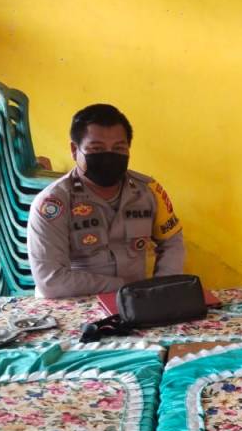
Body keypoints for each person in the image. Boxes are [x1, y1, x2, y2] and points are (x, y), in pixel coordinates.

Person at [27, 103, 184, 298]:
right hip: (76, 303)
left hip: (136, 302)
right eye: (96, 148)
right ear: (74, 150)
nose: (109, 157)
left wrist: (162, 287)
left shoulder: (148, 191)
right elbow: (50, 281)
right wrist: (125, 286)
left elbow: (172, 241)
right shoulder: (52, 204)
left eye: (118, 148)